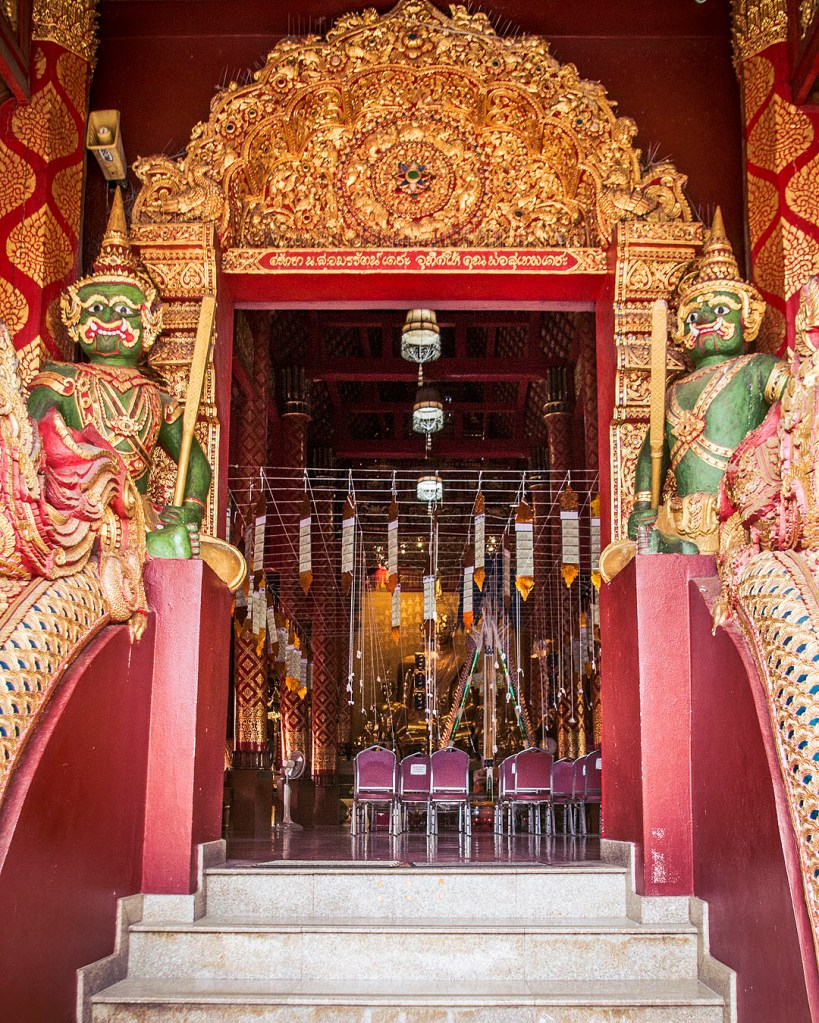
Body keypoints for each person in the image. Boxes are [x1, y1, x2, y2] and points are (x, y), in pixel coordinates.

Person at [27, 189, 212, 559]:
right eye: (96, 307)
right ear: (74, 319)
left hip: (134, 514)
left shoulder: (157, 399)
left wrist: (190, 507)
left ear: (148, 324)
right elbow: (31, 440)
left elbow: (195, 461)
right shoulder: (61, 381)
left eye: (124, 310)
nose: (110, 320)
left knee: (175, 545)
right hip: (72, 510)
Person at [627, 209, 788, 554]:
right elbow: (648, 456)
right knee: (658, 549)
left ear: (748, 318)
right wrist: (643, 507)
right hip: (682, 517)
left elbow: (799, 402)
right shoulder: (673, 391)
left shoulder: (755, 368)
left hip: (742, 514)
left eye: (719, 311)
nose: (704, 321)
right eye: (695, 315)